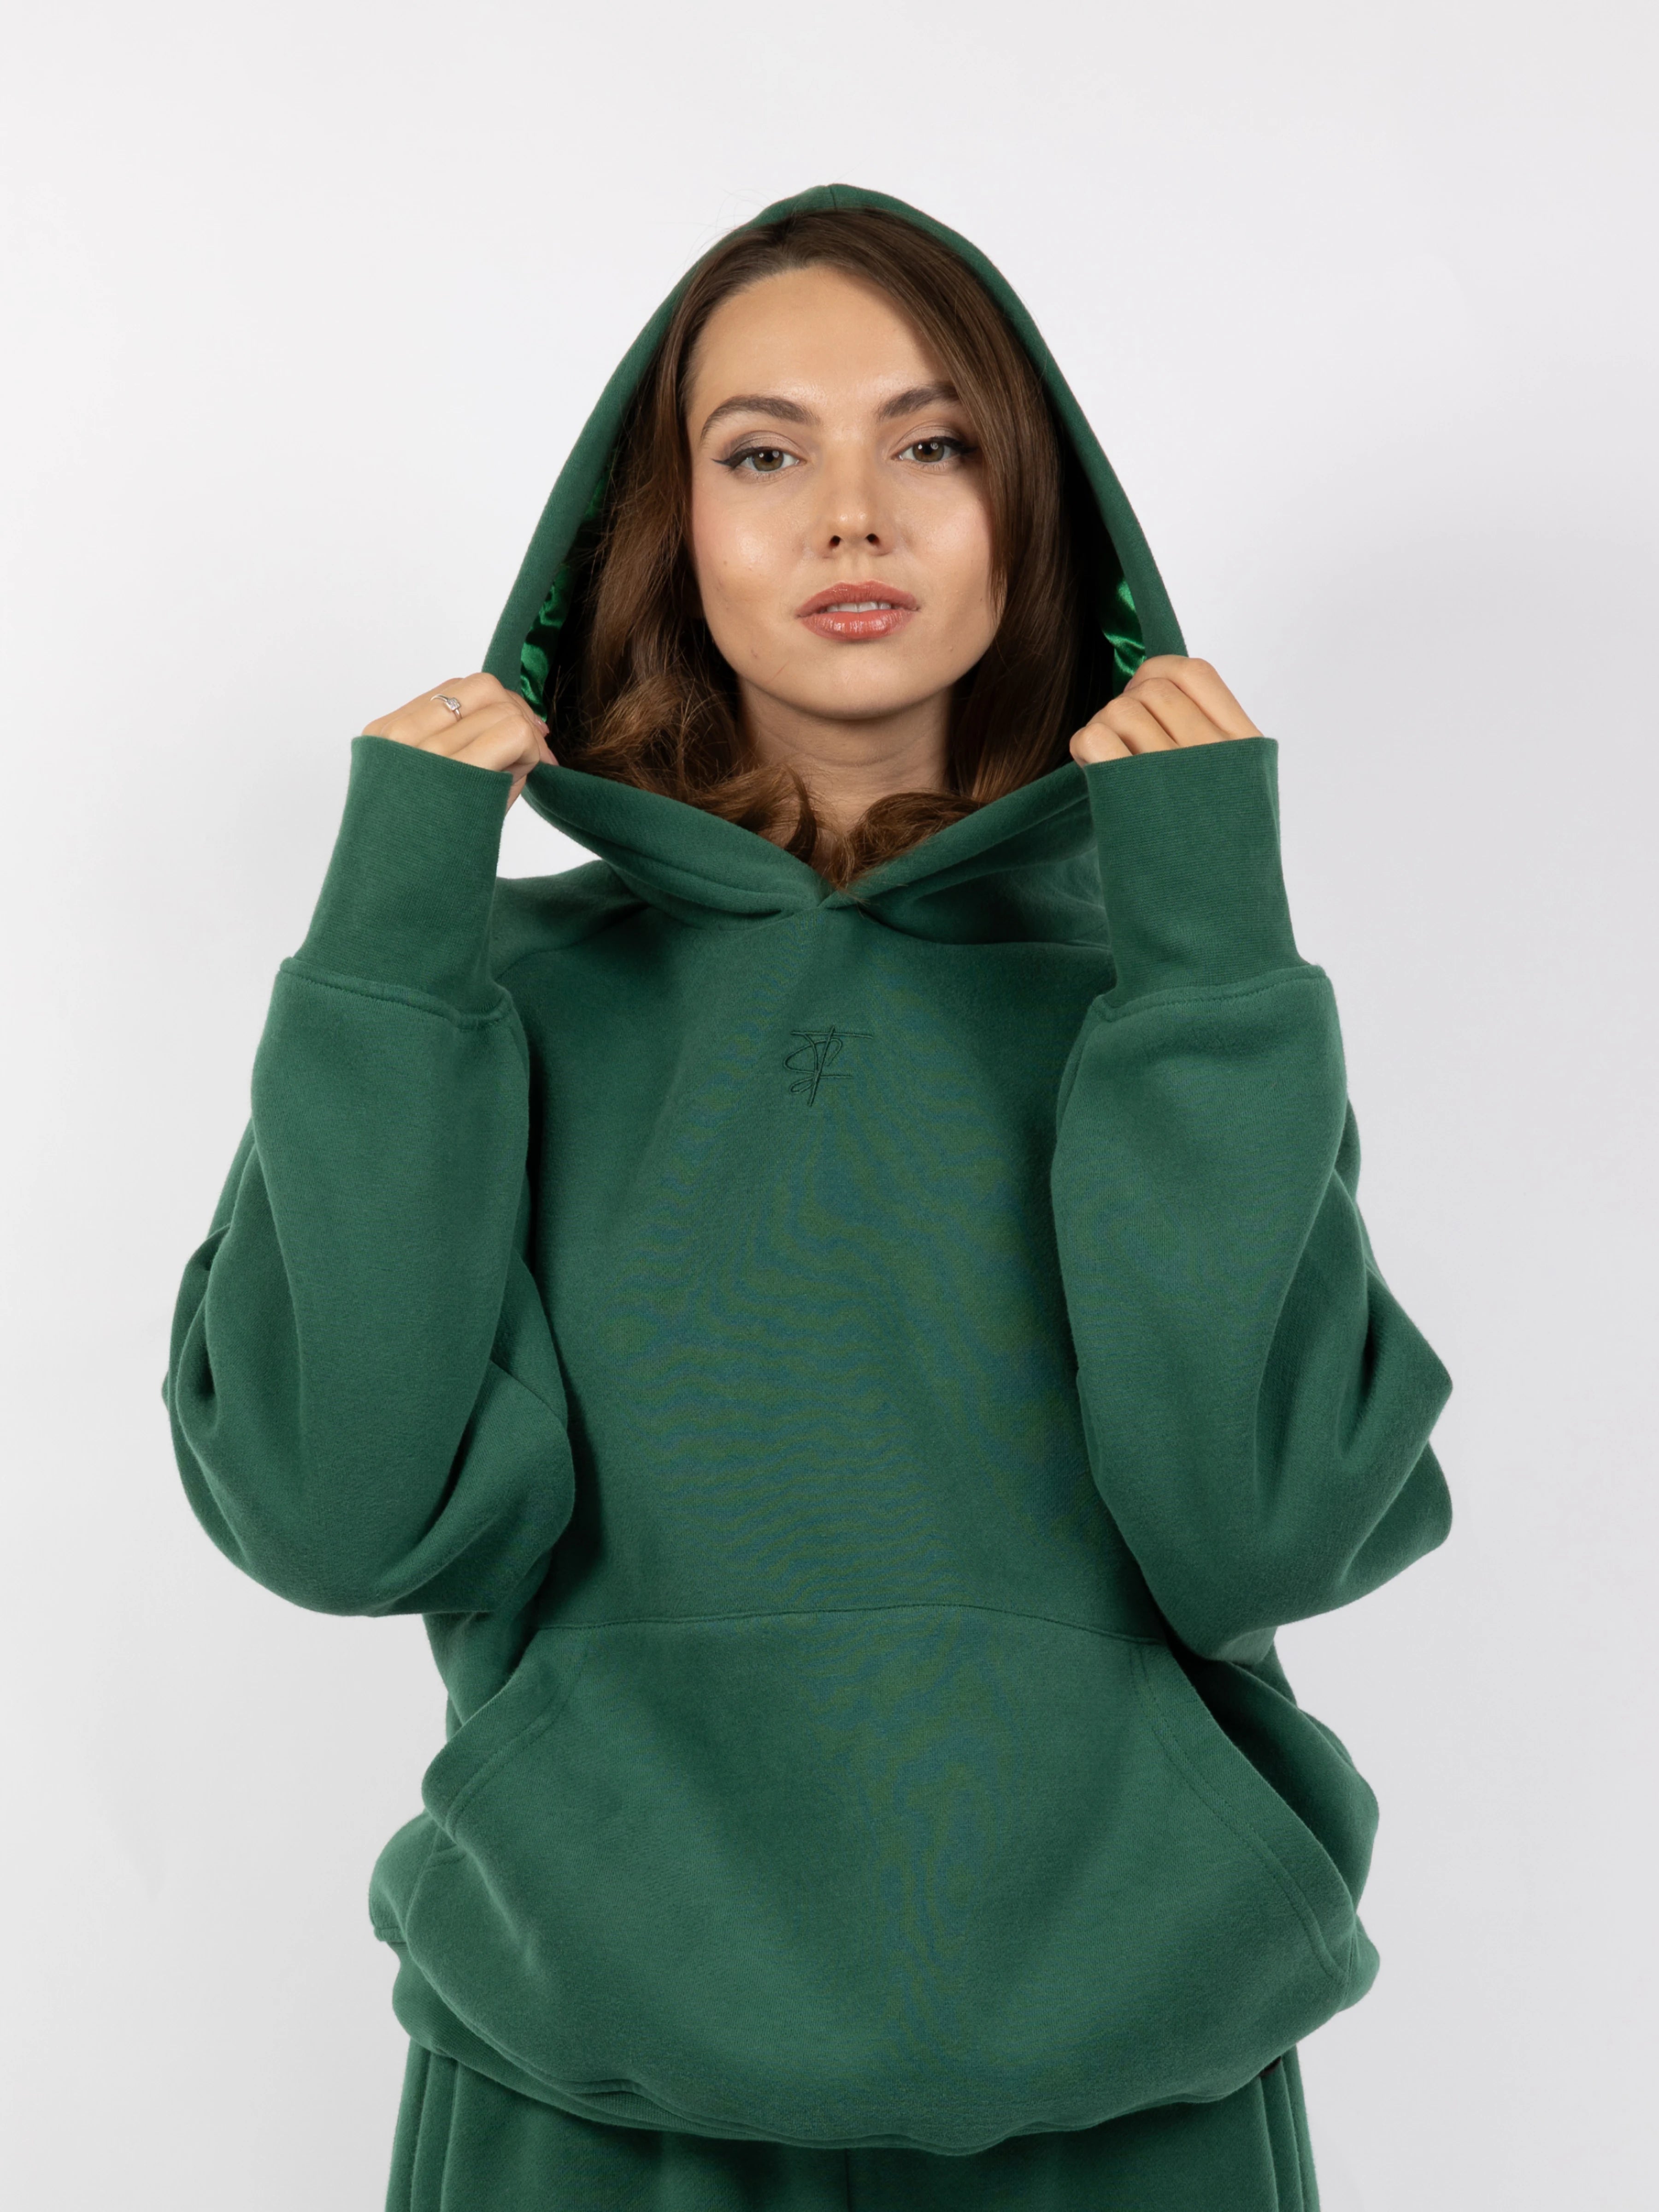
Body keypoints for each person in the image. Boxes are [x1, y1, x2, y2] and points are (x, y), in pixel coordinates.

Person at [162, 183, 1453, 2211]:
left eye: (933, 446)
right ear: (662, 527)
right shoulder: (490, 1004)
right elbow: (337, 1513)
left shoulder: (1170, 1002)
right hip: (583, 2085)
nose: (854, 520)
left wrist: (1211, 945)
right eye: (764, 455)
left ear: (1030, 511)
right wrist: (394, 938)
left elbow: (1260, 1527)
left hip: (1133, 2084)